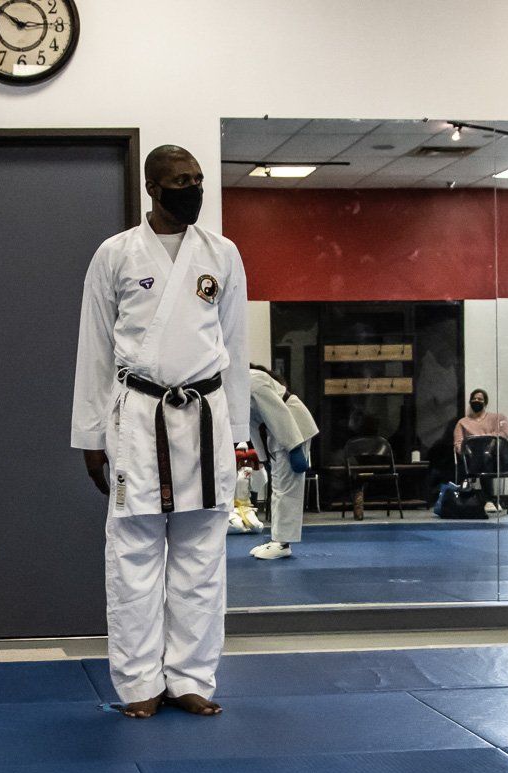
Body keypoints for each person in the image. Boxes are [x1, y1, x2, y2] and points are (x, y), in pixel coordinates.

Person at [71, 145, 248, 720]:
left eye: (197, 179)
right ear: (152, 187)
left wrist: (240, 436)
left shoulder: (221, 254)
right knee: (134, 556)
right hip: (139, 419)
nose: (193, 188)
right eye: (180, 180)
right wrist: (90, 436)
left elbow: (236, 351)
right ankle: (139, 682)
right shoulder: (115, 254)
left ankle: (192, 677)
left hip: (205, 416)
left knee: (201, 557)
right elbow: (95, 350)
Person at [246, 364, 319, 560]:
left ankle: (283, 543)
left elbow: (278, 414)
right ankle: (278, 540)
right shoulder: (242, 387)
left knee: (286, 487)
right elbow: (252, 424)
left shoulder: (253, 381)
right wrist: (262, 458)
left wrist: (293, 447)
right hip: (278, 432)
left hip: (292, 425)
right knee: (278, 486)